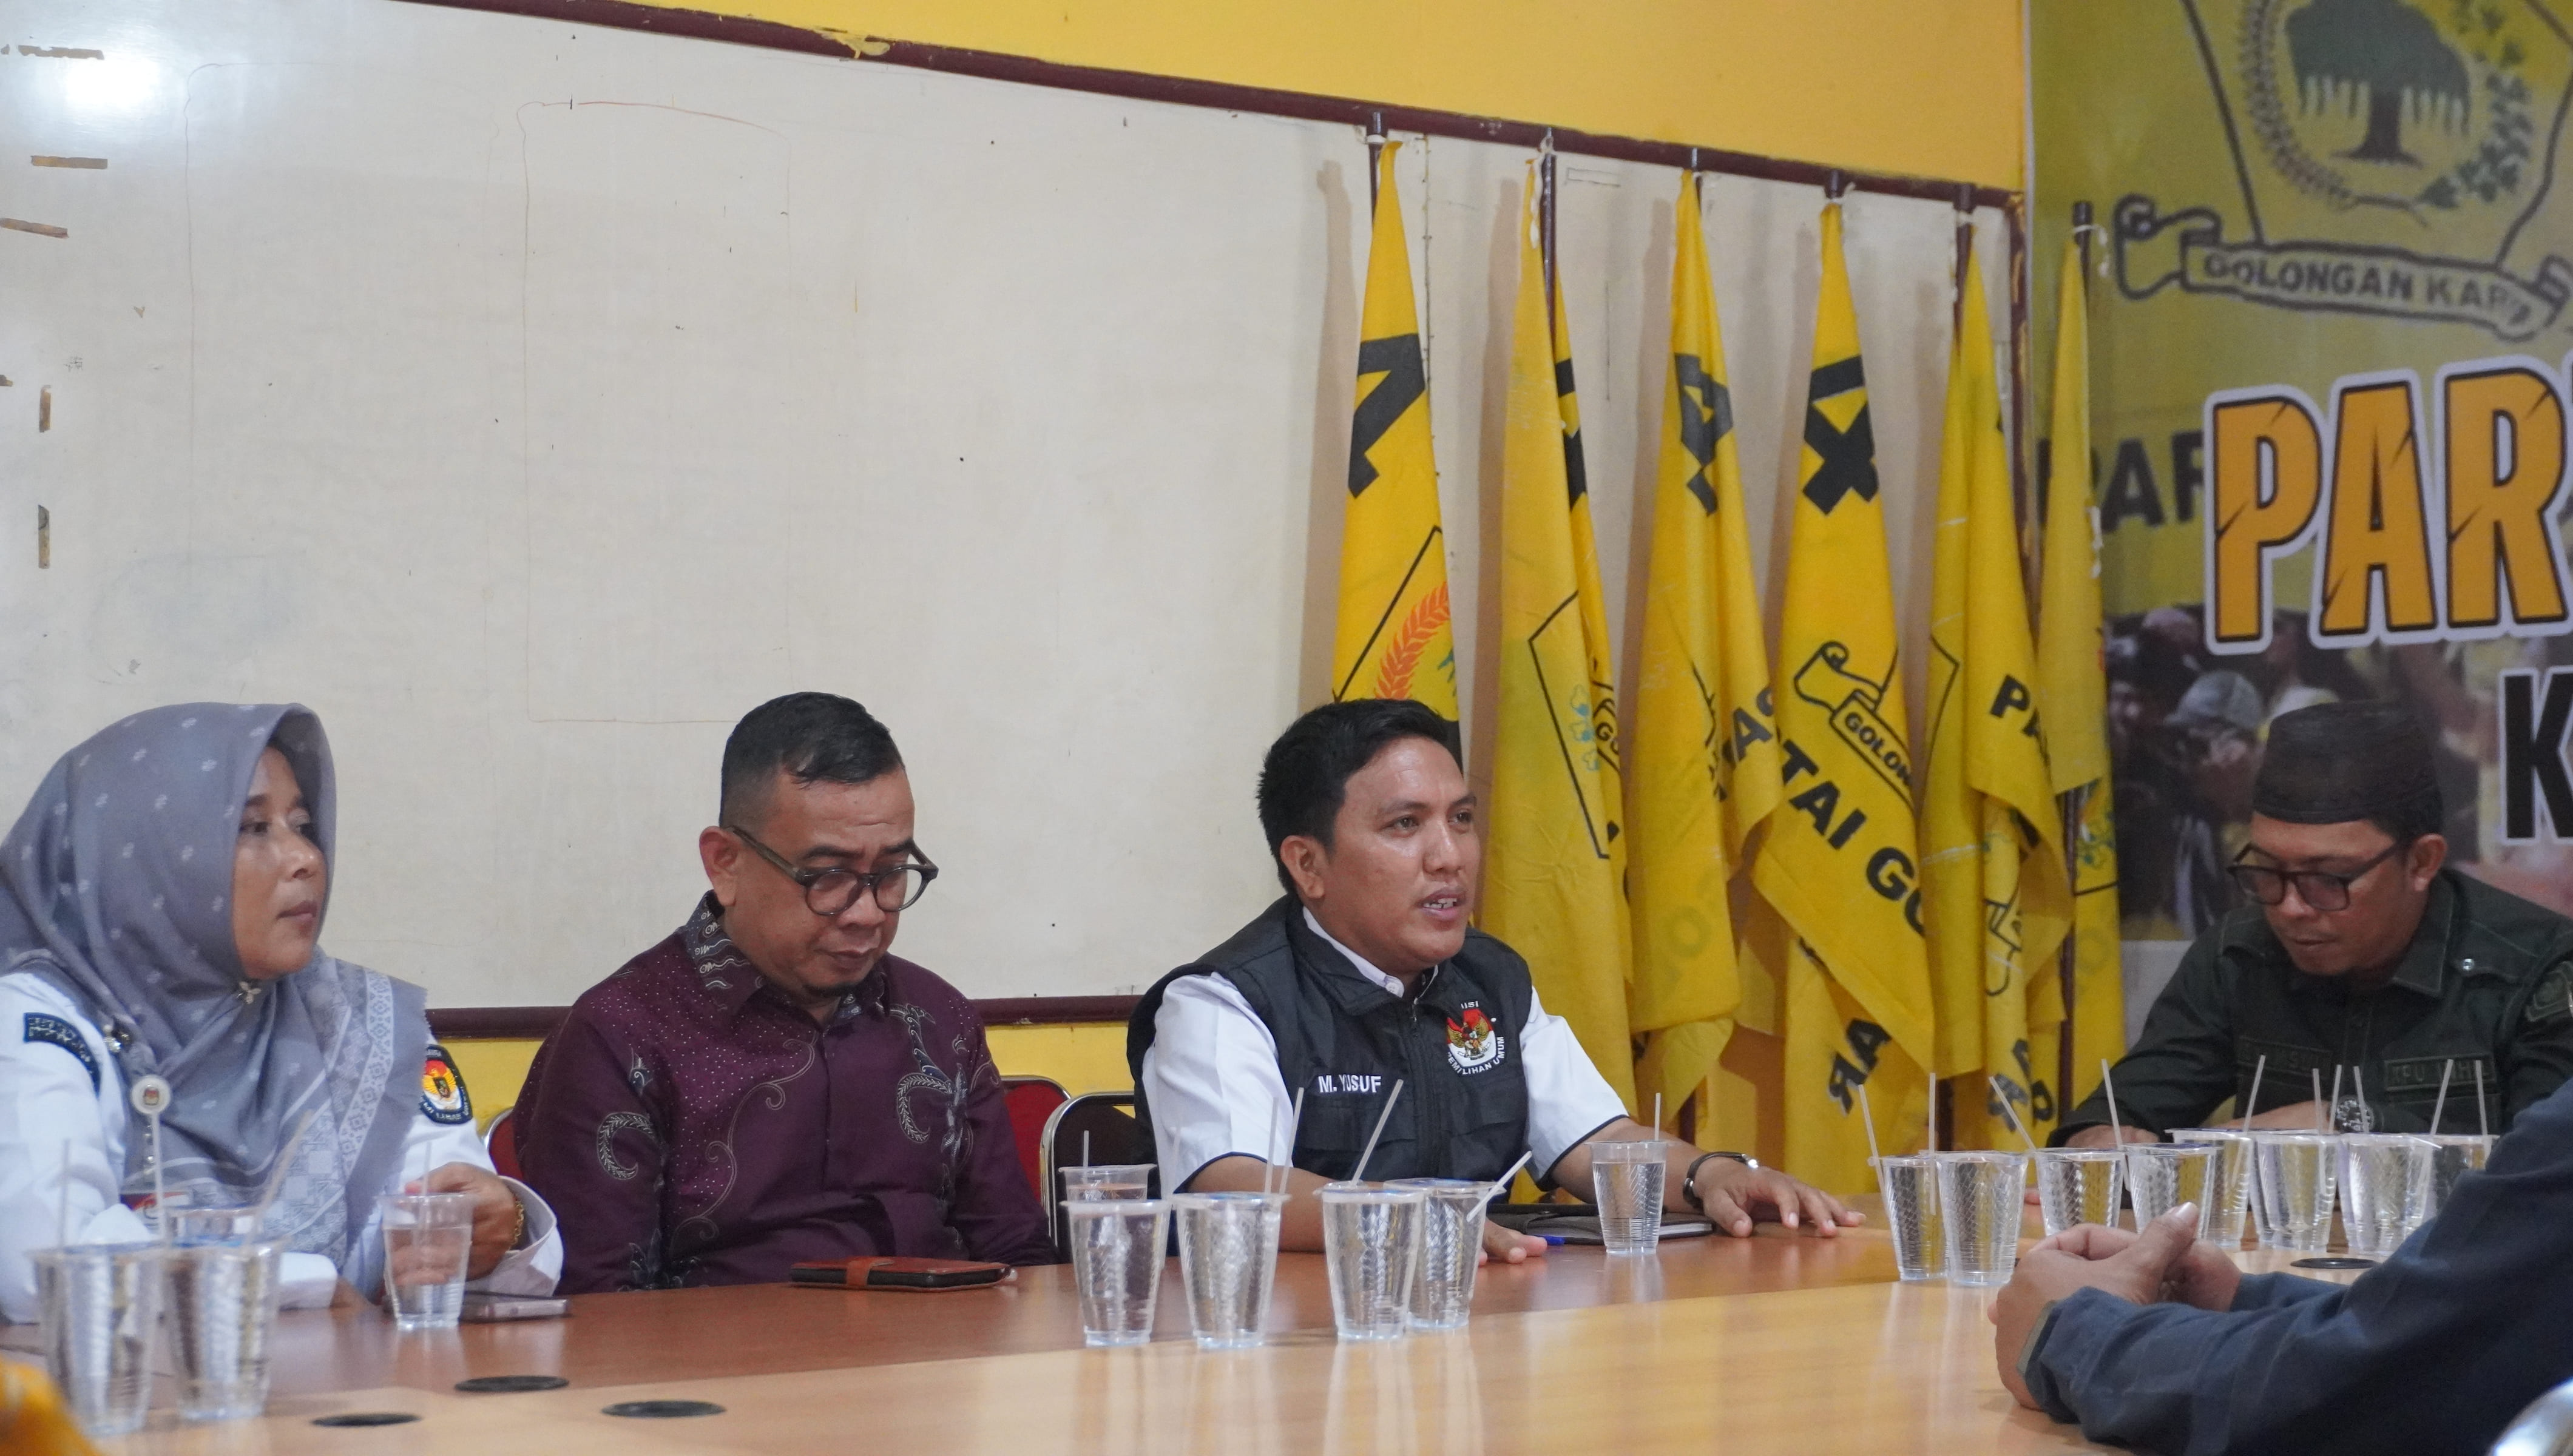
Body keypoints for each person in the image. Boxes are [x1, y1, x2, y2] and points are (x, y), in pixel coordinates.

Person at [1128, 698, 1857, 1260]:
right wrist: (1408, 1220)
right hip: (1299, 1346)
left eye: (1461, 819)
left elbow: (1595, 1141)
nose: (1449, 856)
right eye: (1405, 825)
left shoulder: (1488, 977)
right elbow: (1233, 1189)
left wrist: (1711, 1177)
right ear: (1307, 865)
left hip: (1481, 1318)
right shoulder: (1224, 1002)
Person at [0, 704, 560, 1320]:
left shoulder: (357, 1016)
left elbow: (444, 1214)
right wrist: (310, 1284)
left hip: (361, 1381)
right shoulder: (41, 1018)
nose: (306, 858)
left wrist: (500, 1229)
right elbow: (44, 1266)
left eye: (302, 824)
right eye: (253, 828)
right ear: (145, 857)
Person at [512, 693, 1054, 1291]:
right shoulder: (620, 1037)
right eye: (828, 876)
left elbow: (1018, 1258)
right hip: (719, 1351)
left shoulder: (938, 1018)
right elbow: (598, 1306)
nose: (868, 914)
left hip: (938, 1345)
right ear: (726, 863)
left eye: (892, 873)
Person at [2055, 699, 2573, 1148]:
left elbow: (2548, 1175)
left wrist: (2348, 1124)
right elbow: (2122, 1111)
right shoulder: (2238, 954)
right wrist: (2100, 1141)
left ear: (2421, 862)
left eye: (2328, 879)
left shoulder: (2540, 967)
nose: (2290, 908)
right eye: (2267, 871)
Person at [1993, 1075, 2573, 1452]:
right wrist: (2243, 1301)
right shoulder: (2234, 954)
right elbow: (2491, 1325)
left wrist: (2071, 1331)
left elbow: (2352, 1394)